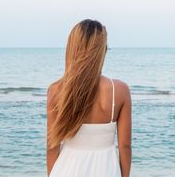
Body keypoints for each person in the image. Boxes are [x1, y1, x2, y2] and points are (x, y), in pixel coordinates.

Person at [46, 19, 132, 177]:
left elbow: (52, 148)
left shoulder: (56, 91)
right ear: (101, 51)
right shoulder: (119, 90)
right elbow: (125, 146)